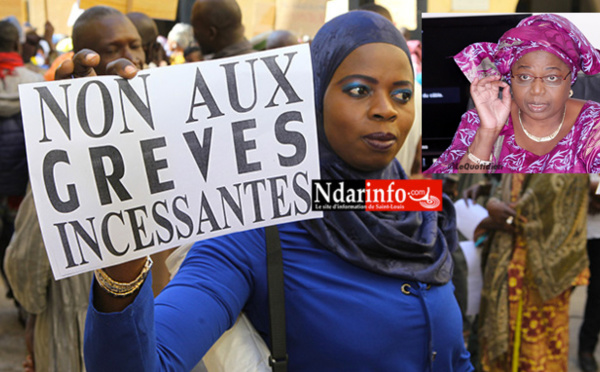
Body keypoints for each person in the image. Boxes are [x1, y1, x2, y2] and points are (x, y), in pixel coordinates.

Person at [82, 11, 472, 371]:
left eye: (402, 94)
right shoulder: (255, 228)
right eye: (358, 90)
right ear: (313, 98)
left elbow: (454, 356)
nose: (386, 109)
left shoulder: (421, 210)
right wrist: (124, 259)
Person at [3, 7, 146, 371]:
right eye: (113, 49)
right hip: (74, 347)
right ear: (83, 59)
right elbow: (26, 270)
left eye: (136, 45)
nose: (131, 58)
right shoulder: (62, 161)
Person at [424, 14, 600, 173]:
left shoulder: (593, 124)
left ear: (571, 80)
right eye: (524, 76)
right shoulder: (476, 120)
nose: (537, 90)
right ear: (510, 78)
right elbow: (435, 197)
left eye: (552, 77)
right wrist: (487, 133)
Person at [477, 174, 589, 371]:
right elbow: (504, 189)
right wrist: (492, 202)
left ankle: (587, 351)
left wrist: (498, 213)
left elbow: (530, 208)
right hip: (507, 257)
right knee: (503, 342)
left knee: (540, 346)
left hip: (544, 270)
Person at [0, 19, 44, 303]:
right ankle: (17, 290)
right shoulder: (36, 81)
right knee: (17, 235)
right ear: (17, 45)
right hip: (20, 181)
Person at [579, 174, 600, 372]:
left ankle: (586, 349)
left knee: (597, 294)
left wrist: (593, 190)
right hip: (572, 230)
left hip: (597, 233)